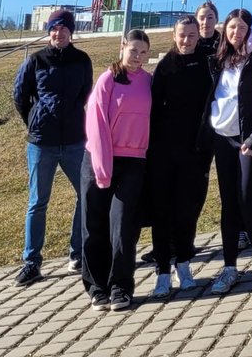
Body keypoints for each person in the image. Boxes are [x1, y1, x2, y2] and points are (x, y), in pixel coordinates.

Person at [201, 8, 252, 294]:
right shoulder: (218, 59)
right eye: (232, 27)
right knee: (229, 203)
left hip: (249, 141)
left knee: (249, 199)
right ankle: (229, 268)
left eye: (243, 28)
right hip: (223, 139)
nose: (237, 33)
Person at [12, 8, 94, 287]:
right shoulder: (36, 60)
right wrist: (34, 120)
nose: (59, 33)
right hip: (41, 143)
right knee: (38, 202)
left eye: (64, 29)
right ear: (49, 32)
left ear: (71, 32)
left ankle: (78, 254)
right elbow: (20, 95)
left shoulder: (82, 60)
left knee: (86, 195)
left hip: (74, 141)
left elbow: (86, 93)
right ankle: (31, 262)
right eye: (54, 29)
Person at [81, 29, 152, 312]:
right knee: (94, 225)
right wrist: (102, 169)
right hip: (100, 159)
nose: (137, 57)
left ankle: (120, 286)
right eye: (133, 50)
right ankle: (97, 287)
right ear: (123, 47)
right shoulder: (108, 79)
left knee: (123, 225)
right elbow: (96, 124)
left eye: (143, 52)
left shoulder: (148, 81)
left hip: (134, 162)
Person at [148, 15, 213, 298]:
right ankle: (163, 270)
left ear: (199, 35)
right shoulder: (165, 66)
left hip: (196, 151)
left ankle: (184, 264)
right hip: (163, 152)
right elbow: (152, 110)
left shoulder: (207, 63)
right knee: (162, 211)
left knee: (187, 210)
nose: (186, 40)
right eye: (182, 35)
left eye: (191, 35)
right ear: (174, 36)